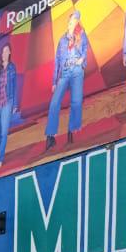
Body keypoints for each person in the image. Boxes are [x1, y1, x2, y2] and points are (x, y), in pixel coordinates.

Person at [45, 9, 89, 150]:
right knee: (54, 103)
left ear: (77, 23)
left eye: (75, 21)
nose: (71, 23)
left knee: (76, 101)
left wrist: (81, 61)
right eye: (71, 21)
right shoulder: (62, 40)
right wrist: (53, 81)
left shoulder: (81, 35)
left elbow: (85, 51)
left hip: (76, 70)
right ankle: (50, 136)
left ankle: (72, 131)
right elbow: (57, 61)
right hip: (64, 72)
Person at [0, 44, 18, 170]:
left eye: (6, 51)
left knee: (3, 133)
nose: (4, 53)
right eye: (3, 51)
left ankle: (0, 159)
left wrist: (15, 104)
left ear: (10, 52)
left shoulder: (12, 68)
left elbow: (15, 86)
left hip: (7, 102)